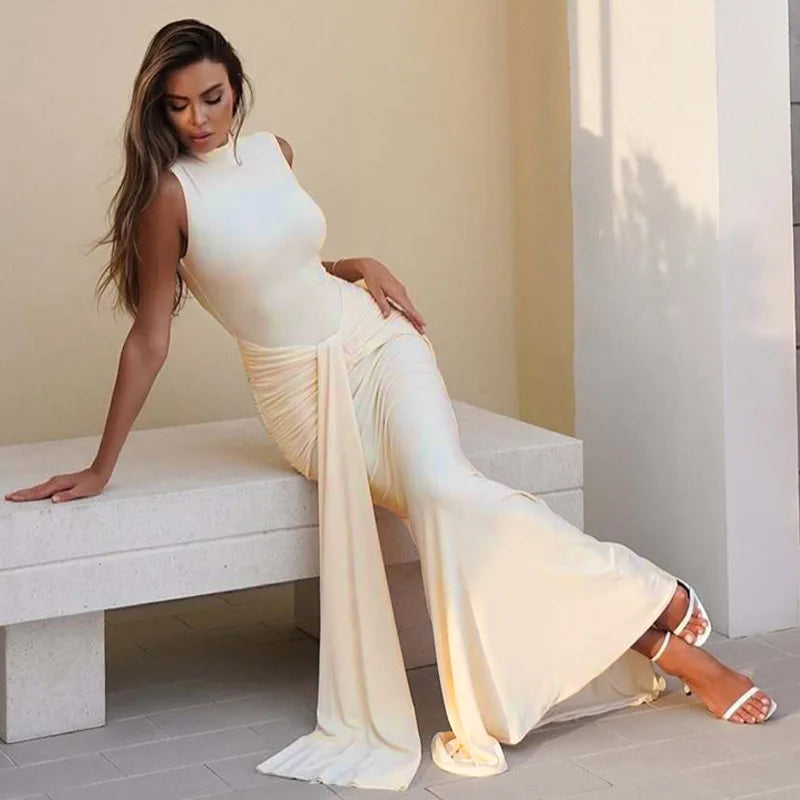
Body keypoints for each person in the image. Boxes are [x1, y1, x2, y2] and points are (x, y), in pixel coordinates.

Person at [4, 17, 777, 793]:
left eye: (212, 97)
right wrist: (103, 467)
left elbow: (288, 263)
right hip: (305, 396)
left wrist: (355, 263)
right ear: (157, 111)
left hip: (376, 341)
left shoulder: (274, 151)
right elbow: (149, 339)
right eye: (179, 106)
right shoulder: (167, 197)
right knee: (451, 505)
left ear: (236, 84)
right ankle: (659, 611)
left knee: (447, 495)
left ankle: (680, 649)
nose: (200, 120)